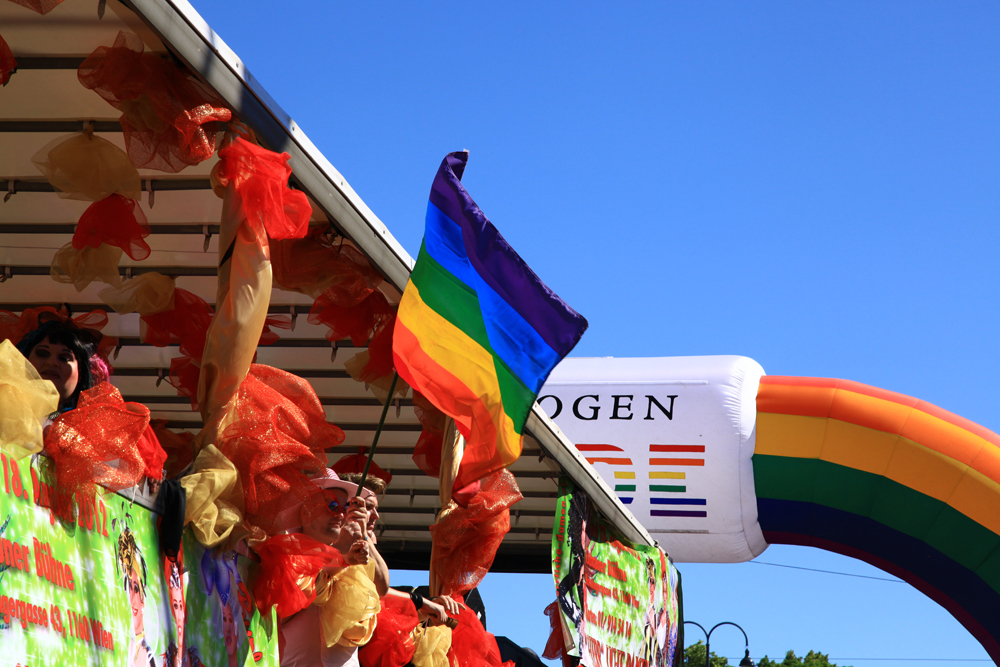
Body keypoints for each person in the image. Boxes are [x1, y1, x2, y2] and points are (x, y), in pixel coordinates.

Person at [17, 318, 100, 412]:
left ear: (81, 375)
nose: (52, 362)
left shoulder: (93, 425)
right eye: (42, 354)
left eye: (64, 358)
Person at [117, 524, 157, 667]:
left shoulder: (147, 653)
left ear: (143, 599)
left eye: (135, 588)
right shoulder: (130, 644)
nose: (133, 599)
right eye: (129, 588)